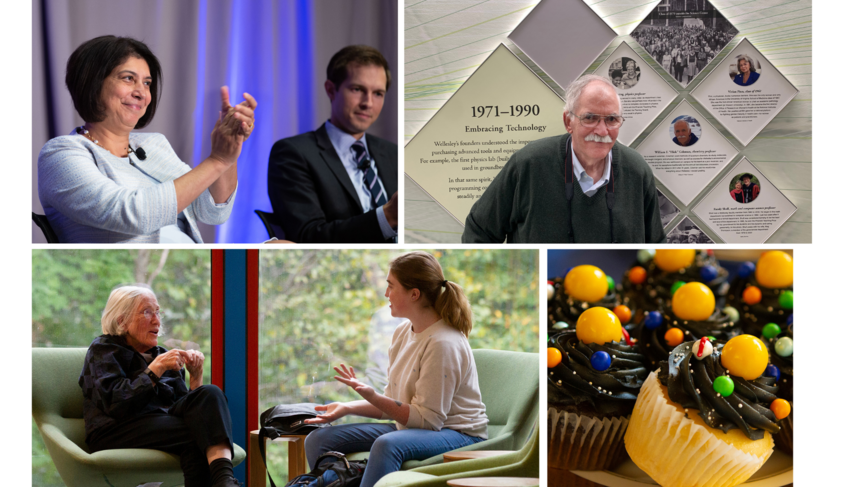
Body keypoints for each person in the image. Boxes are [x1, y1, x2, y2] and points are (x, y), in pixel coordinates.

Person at [38, 36, 256, 243]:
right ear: (92, 83)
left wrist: (228, 154)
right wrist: (216, 160)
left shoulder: (154, 144)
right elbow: (134, 214)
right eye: (128, 78)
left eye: (147, 83)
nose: (141, 93)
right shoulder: (60, 155)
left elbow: (212, 212)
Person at [302, 251, 488, 487]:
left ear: (414, 294)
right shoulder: (403, 332)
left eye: (391, 286)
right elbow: (393, 403)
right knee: (318, 440)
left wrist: (371, 395)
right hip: (414, 427)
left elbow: (428, 421)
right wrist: (346, 407)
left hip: (458, 435)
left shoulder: (443, 343)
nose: (385, 293)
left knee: (387, 444)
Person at [462, 74, 664, 243]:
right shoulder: (528, 164)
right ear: (569, 121)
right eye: (590, 118)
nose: (602, 130)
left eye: (611, 119)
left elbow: (656, 244)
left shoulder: (637, 171)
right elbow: (478, 231)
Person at [79, 285, 240, 487]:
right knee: (199, 432)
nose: (156, 320)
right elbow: (116, 404)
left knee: (210, 392)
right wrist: (155, 369)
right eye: (147, 312)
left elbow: (184, 408)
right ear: (122, 321)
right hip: (115, 430)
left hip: (159, 425)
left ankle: (224, 482)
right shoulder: (103, 350)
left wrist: (196, 378)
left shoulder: (161, 355)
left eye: (157, 312)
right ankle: (224, 481)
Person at [268, 45, 398, 243]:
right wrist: (388, 216)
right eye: (357, 89)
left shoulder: (393, 153)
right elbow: (308, 236)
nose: (368, 103)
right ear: (331, 89)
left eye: (378, 93)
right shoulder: (293, 153)